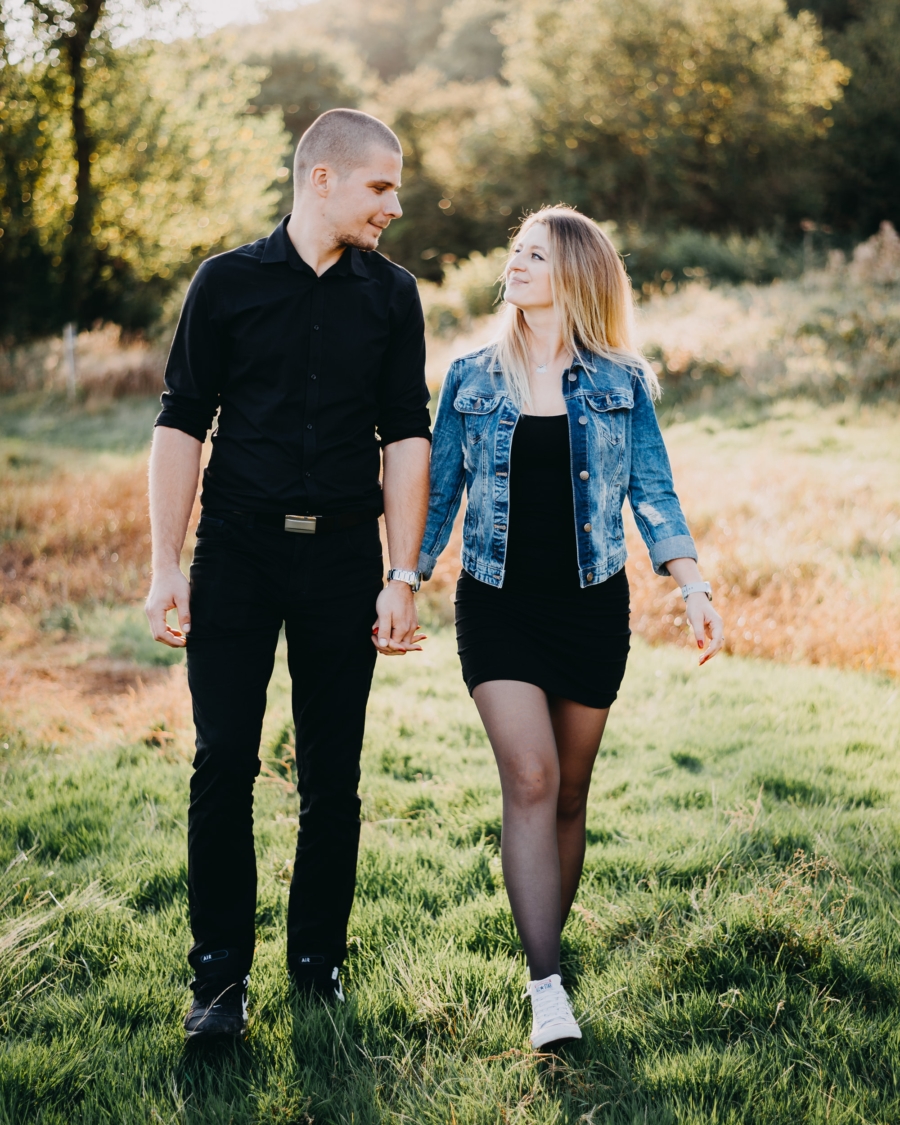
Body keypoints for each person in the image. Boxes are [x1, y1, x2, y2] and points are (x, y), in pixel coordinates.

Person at [144, 109, 431, 1039]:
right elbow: (182, 421)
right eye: (381, 186)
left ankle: (318, 965)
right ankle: (218, 981)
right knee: (223, 758)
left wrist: (403, 574)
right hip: (235, 549)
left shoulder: (394, 297)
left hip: (346, 556)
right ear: (323, 179)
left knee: (332, 772)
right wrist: (165, 563)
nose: (395, 204)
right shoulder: (224, 284)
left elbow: (407, 435)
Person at [419, 205, 724, 1051]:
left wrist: (691, 585)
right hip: (497, 604)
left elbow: (653, 491)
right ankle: (546, 985)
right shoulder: (471, 375)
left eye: (534, 256)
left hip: (591, 607)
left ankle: (549, 946)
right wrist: (401, 580)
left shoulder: (620, 381)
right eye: (513, 252)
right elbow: (439, 493)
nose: (513, 265)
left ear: (577, 276)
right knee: (530, 775)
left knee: (571, 793)